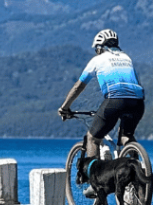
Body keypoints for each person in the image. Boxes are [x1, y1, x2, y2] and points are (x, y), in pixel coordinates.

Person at [58, 29, 145, 160]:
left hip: (115, 101)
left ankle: (94, 178)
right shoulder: (127, 58)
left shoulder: (97, 60)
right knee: (126, 136)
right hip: (138, 102)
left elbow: (78, 86)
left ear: (100, 47)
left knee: (92, 138)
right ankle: (138, 169)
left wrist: (65, 107)